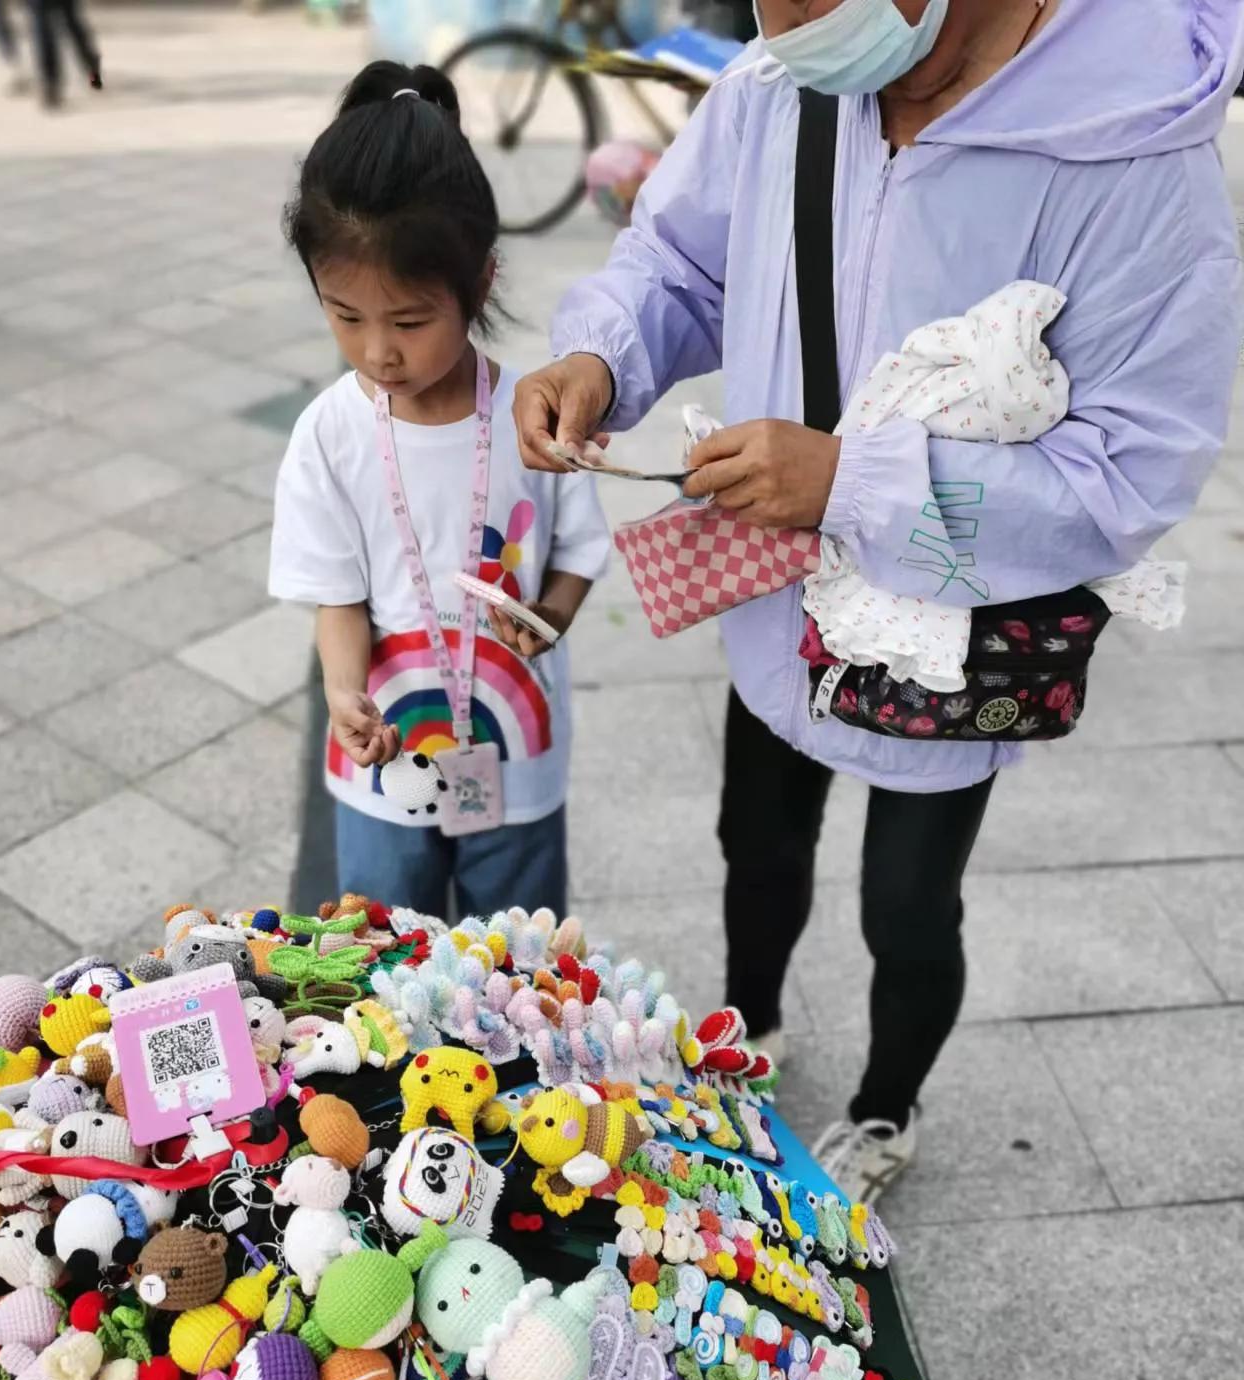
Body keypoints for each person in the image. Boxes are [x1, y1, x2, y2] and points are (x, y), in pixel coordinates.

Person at [513, 0, 1244, 1200]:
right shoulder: (784, 77)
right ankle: (744, 1030)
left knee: (907, 905)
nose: (790, 24)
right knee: (756, 837)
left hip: (949, 629)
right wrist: (601, 354)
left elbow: (1128, 469)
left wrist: (853, 481)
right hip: (771, 591)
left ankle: (884, 1105)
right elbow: (681, 260)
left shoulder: (1130, 149)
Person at [270, 62, 610, 923]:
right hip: (383, 755)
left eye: (410, 321)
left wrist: (551, 618)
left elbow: (574, 553)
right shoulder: (331, 434)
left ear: (481, 284)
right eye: (344, 315)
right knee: (384, 953)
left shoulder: (533, 417)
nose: (378, 350)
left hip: (518, 750)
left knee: (522, 958)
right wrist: (345, 692)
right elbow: (337, 598)